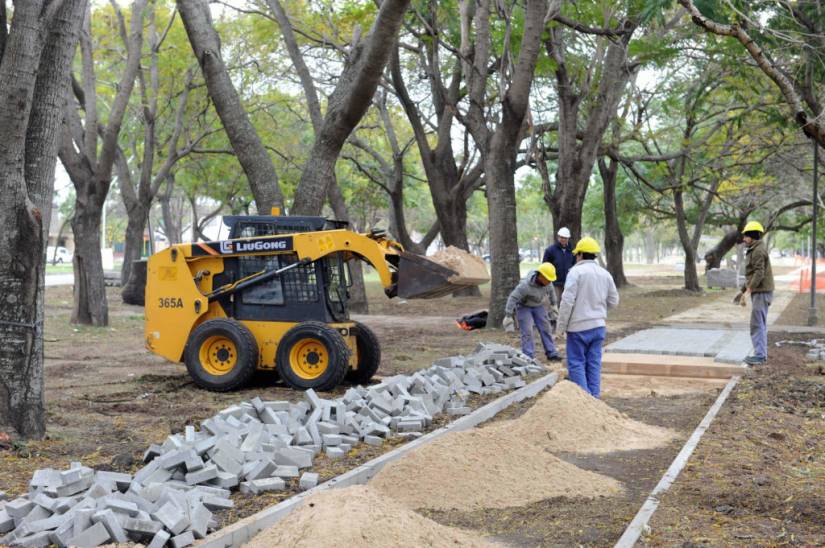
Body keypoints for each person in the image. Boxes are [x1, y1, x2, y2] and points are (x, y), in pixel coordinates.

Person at [557, 237, 619, 398]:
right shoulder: (605, 274)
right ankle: (594, 401)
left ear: (581, 255)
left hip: (578, 328)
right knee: (594, 364)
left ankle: (585, 402)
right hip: (598, 327)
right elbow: (614, 301)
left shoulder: (575, 272)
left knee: (576, 363)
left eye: (577, 254)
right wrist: (598, 312)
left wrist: (560, 327)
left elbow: (567, 302)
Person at [503, 263, 562, 361]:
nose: (549, 282)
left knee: (546, 328)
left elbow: (552, 293)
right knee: (527, 331)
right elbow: (513, 298)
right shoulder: (525, 286)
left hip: (538, 306)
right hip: (524, 307)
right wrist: (508, 315)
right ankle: (528, 356)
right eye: (548, 279)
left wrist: (554, 305)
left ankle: (552, 353)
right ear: (540, 276)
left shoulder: (548, 283)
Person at [735, 221, 774, 365]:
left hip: (762, 292)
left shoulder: (758, 251)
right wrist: (742, 291)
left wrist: (749, 290)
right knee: (759, 323)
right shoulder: (754, 249)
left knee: (757, 324)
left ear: (752, 236)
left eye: (746, 236)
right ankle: (760, 354)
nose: (744, 239)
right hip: (761, 291)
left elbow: (759, 273)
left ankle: (759, 355)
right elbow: (752, 274)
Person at [543, 227, 575, 303]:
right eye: (561, 237)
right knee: (555, 302)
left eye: (565, 238)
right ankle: (556, 315)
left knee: (567, 302)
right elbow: (545, 265)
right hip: (555, 283)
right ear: (558, 237)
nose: (563, 239)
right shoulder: (550, 250)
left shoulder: (572, 251)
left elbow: (575, 265)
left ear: (568, 238)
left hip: (569, 283)